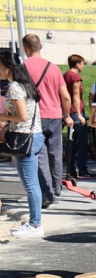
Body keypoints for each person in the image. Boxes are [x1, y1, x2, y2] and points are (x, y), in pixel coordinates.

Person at [22, 33, 74, 209]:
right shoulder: (53, 68)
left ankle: (47, 192)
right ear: (41, 46)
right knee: (55, 153)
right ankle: (57, 189)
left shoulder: (23, 68)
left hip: (35, 116)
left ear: (25, 48)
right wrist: (66, 115)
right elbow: (65, 96)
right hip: (55, 115)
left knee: (40, 155)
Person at [0, 51, 45, 238]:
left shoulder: (15, 87)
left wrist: (2, 117)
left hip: (24, 138)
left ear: (8, 66)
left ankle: (35, 224)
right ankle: (35, 222)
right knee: (32, 183)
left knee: (30, 184)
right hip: (33, 135)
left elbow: (21, 116)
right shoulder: (25, 85)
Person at [63, 54, 94, 179]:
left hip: (68, 111)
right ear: (77, 64)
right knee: (82, 142)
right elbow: (76, 96)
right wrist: (80, 114)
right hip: (76, 111)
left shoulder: (65, 75)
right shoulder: (75, 77)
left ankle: (70, 169)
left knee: (71, 141)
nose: (83, 66)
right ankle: (82, 169)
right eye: (82, 63)